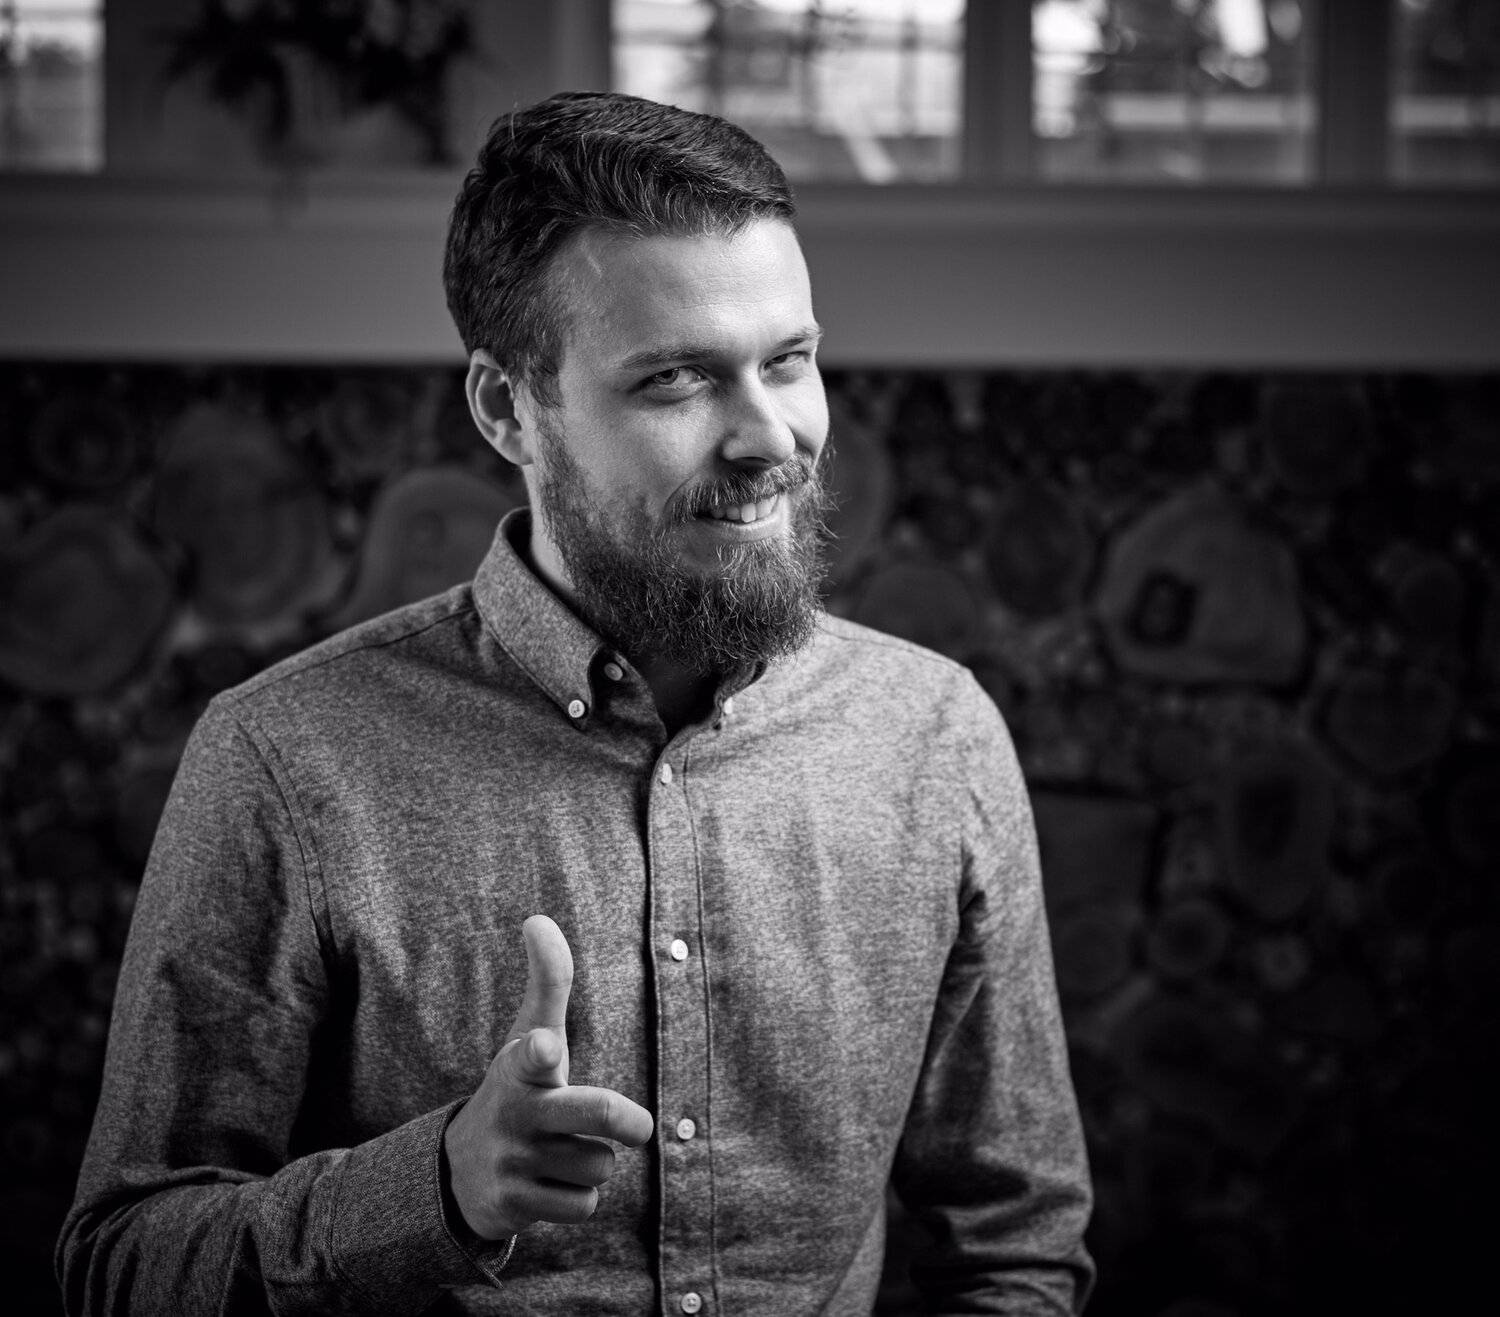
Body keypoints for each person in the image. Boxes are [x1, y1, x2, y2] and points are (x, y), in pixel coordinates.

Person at [57, 91, 1094, 1314]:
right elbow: (120, 1265)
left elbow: (1017, 1246)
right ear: (509, 410)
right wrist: (433, 1192)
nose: (771, 438)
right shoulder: (284, 759)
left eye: (788, 360)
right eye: (675, 380)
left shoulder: (937, 737)